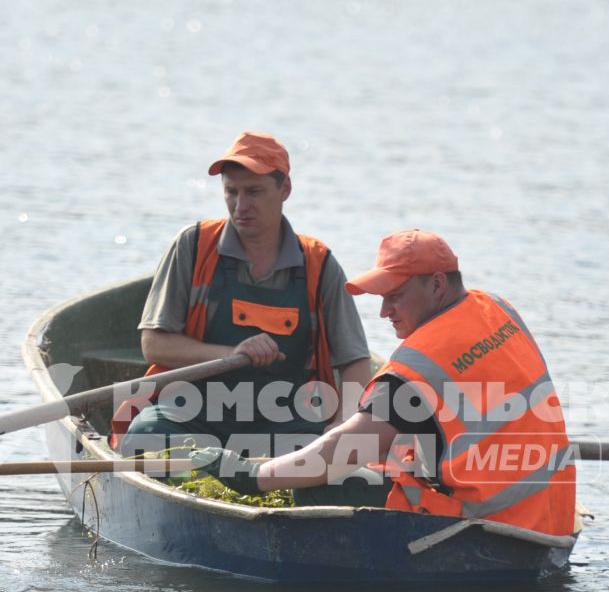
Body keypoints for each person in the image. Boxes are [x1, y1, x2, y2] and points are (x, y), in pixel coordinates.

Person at [247, 229, 576, 536]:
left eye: (395, 296)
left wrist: (257, 476)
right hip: (552, 516)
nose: (384, 311)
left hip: (487, 528)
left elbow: (345, 448)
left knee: (319, 481)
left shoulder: (418, 363)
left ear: (436, 285)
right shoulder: (498, 310)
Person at [117, 131, 372, 465]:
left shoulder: (318, 264)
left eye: (254, 192)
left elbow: (354, 361)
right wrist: (230, 353)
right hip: (194, 407)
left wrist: (346, 426)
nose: (241, 205)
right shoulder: (193, 247)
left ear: (285, 190)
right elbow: (154, 344)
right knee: (146, 436)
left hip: (286, 415)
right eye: (231, 191)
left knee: (324, 446)